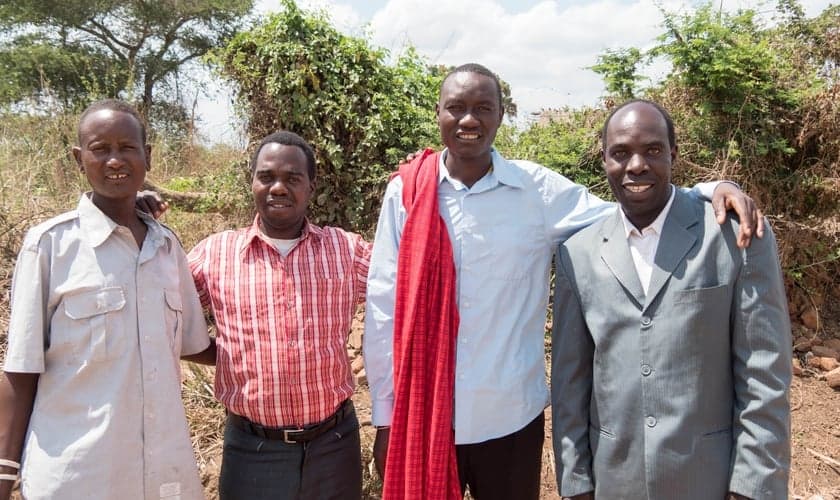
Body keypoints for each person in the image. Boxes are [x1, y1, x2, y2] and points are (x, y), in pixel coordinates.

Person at [364, 63, 765, 500]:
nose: (468, 120)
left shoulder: (536, 191)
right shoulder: (406, 196)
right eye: (455, 108)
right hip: (425, 414)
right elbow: (383, 305)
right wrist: (386, 419)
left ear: (502, 114)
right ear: (438, 113)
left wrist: (709, 189)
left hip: (511, 419)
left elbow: (631, 204)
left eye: (483, 107)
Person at [551, 99, 791, 500]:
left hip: (709, 480)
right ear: (604, 159)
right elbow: (569, 384)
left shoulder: (737, 239)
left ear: (674, 154)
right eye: (621, 153)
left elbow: (763, 374)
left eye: (653, 150)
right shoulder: (578, 253)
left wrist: (752, 486)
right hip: (615, 481)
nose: (637, 165)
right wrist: (575, 482)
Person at [0, 99, 213, 500]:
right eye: (100, 149)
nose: (115, 160)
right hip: (78, 477)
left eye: (127, 148)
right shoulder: (50, 247)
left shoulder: (167, 247)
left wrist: (266, 353)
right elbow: (21, 369)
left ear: (147, 156)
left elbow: (193, 345)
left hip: (165, 476)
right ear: (79, 159)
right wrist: (4, 472)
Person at [185, 131, 371, 499]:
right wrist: (225, 356)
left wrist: (417, 187)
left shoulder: (346, 251)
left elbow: (410, 277)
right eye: (267, 177)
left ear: (311, 186)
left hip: (334, 446)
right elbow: (159, 316)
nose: (278, 188)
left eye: (292, 178)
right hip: (251, 449)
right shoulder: (215, 254)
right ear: (252, 182)